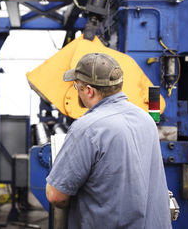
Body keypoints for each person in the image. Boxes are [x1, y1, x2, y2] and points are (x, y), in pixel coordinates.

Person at [46, 53, 172, 229]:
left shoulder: (87, 128)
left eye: (77, 86)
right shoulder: (146, 120)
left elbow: (56, 196)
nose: (77, 91)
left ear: (89, 90)